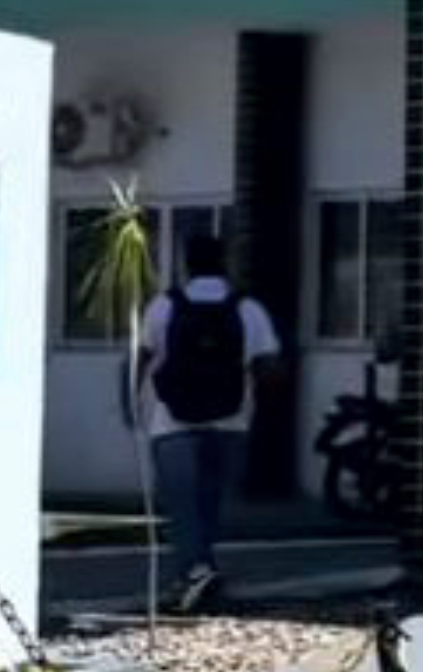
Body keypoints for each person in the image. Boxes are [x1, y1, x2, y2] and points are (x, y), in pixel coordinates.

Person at [136, 234, 282, 612]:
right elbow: (269, 367)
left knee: (181, 505)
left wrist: (134, 403)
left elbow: (142, 358)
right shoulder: (248, 309)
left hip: (171, 421)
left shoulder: (164, 306)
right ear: (224, 262)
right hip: (231, 420)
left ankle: (194, 573)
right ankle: (203, 570)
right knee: (210, 502)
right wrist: (258, 407)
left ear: (187, 264)